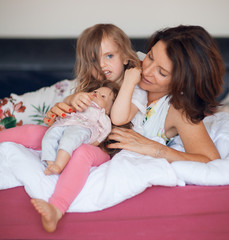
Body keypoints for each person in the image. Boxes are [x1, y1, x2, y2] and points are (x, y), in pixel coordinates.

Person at [34, 25, 224, 232]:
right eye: (150, 57)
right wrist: (66, 105)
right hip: (73, 106)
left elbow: (209, 160)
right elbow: (90, 80)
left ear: (182, 82)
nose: (147, 71)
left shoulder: (178, 109)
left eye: (162, 72)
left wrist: (153, 148)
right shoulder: (132, 64)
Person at [0, 23, 147, 232]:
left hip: (103, 146)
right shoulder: (92, 84)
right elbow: (69, 108)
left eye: (109, 56)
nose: (102, 65)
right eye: (94, 60)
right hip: (72, 129)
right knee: (34, 131)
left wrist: (130, 81)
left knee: (83, 153)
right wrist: (73, 98)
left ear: (125, 57)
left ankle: (56, 208)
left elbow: (119, 117)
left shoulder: (136, 88)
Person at [42, 81, 119, 175]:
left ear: (108, 110)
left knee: (69, 139)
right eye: (95, 91)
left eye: (103, 96)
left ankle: (59, 165)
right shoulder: (82, 103)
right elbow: (69, 110)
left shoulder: (102, 113)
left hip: (83, 127)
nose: (96, 94)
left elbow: (106, 130)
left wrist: (96, 142)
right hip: (66, 123)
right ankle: (50, 163)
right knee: (50, 135)